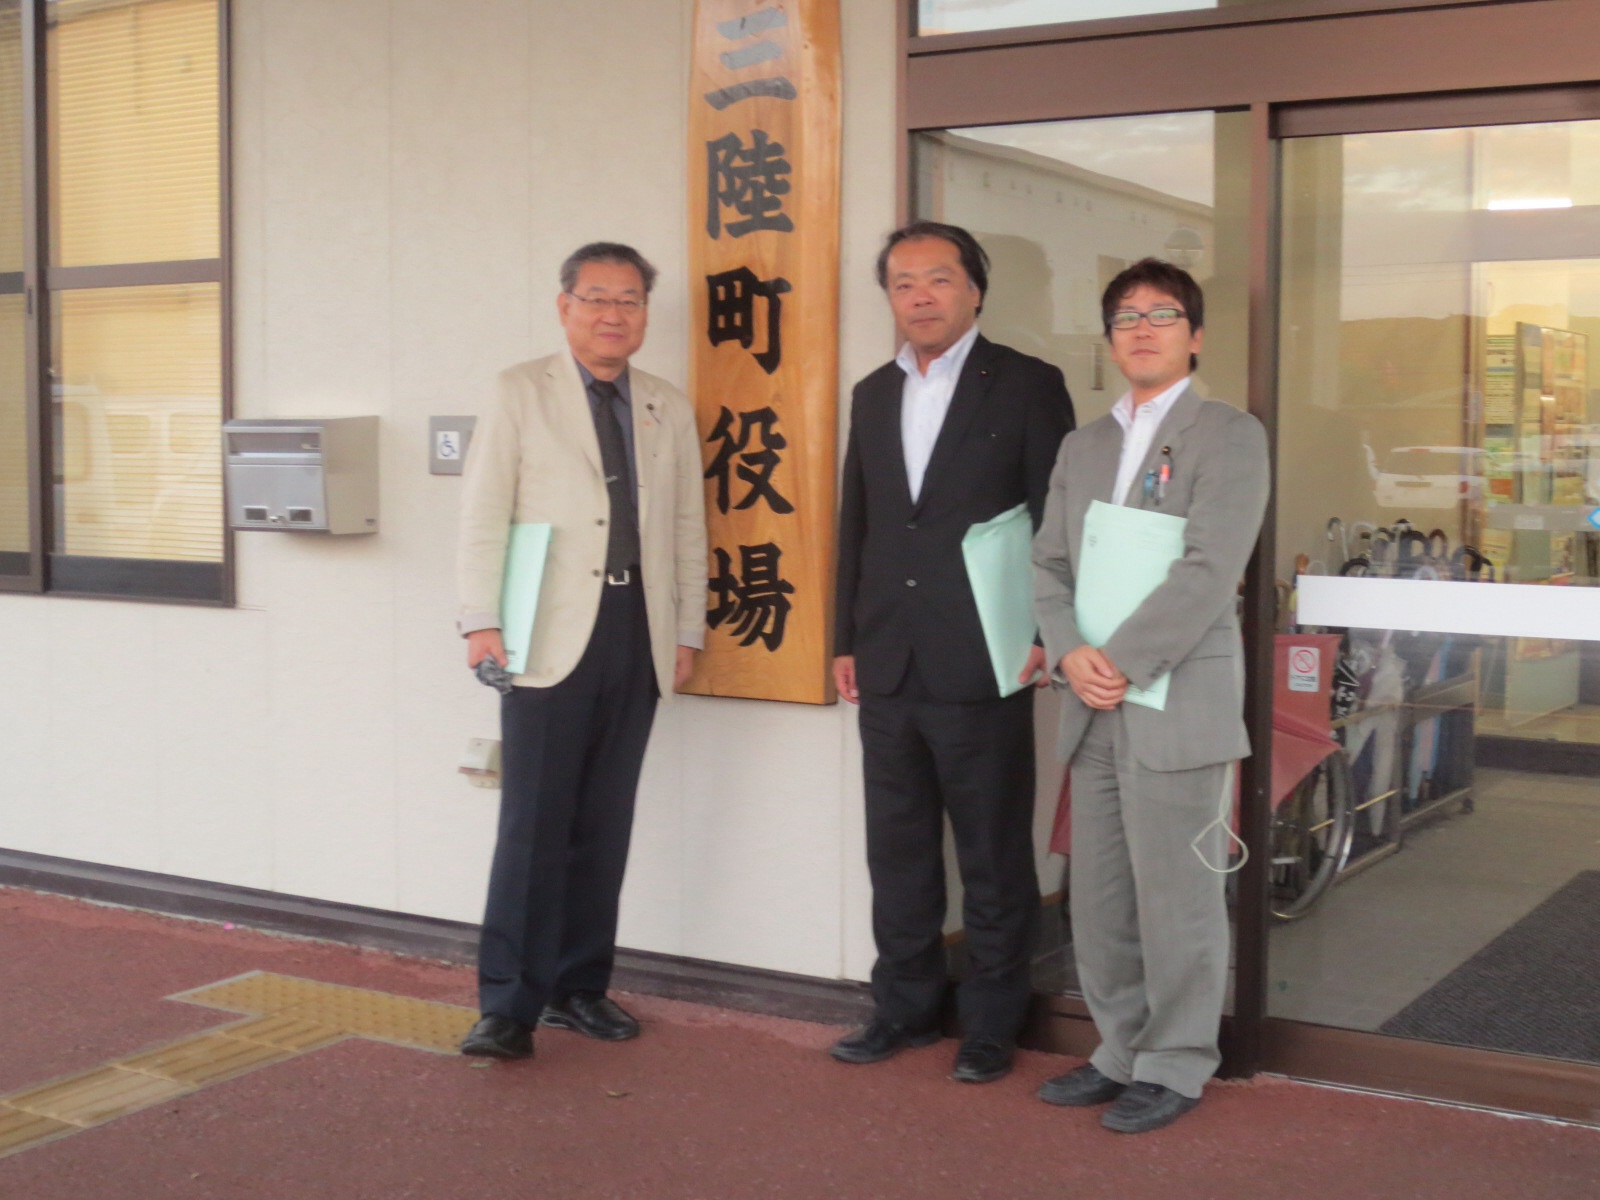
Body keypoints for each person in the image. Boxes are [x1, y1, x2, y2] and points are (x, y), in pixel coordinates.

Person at [832, 220, 1075, 1084]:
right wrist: (844, 638)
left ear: (975, 289)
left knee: (992, 853)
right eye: (903, 283)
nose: (921, 296)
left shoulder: (1027, 384)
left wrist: (1046, 633)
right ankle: (902, 1008)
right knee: (896, 850)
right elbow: (859, 521)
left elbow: (1055, 517)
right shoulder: (872, 392)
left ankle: (992, 1024)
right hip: (888, 658)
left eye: (938, 278)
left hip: (986, 654)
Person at [1031, 258, 1269, 1133]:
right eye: (1126, 316)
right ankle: (1120, 1049)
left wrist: (1121, 659)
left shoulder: (1229, 434)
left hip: (1175, 696)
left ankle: (1176, 1060)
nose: (1142, 328)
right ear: (1109, 340)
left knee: (1177, 895)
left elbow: (1211, 569)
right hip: (1093, 699)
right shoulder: (1083, 446)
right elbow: (1048, 564)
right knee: (1100, 896)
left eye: (1162, 314)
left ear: (1195, 336)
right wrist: (1070, 652)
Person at [454, 242, 708, 1060]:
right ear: (564, 307)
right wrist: (480, 620)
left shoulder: (666, 404)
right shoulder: (520, 391)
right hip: (545, 629)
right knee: (534, 822)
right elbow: (484, 511)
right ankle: (507, 1005)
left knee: (605, 819)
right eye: (597, 297)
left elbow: (687, 525)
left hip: (637, 628)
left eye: (629, 300)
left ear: (645, 313)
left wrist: (686, 629)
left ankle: (580, 986)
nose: (613, 314)